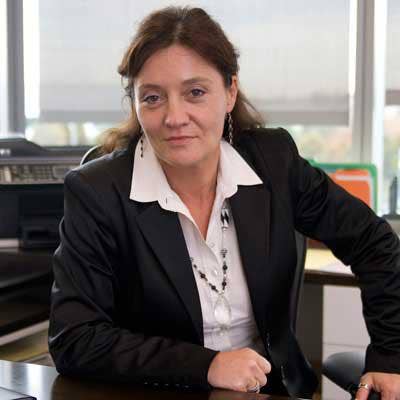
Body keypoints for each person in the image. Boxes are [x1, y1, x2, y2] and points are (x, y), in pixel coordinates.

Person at [48, 6, 400, 399]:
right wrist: (206, 365)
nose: (174, 117)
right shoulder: (98, 191)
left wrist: (389, 356)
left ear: (230, 92)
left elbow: (374, 242)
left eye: (195, 93)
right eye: (153, 97)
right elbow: (75, 338)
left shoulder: (273, 161)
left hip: (272, 391)